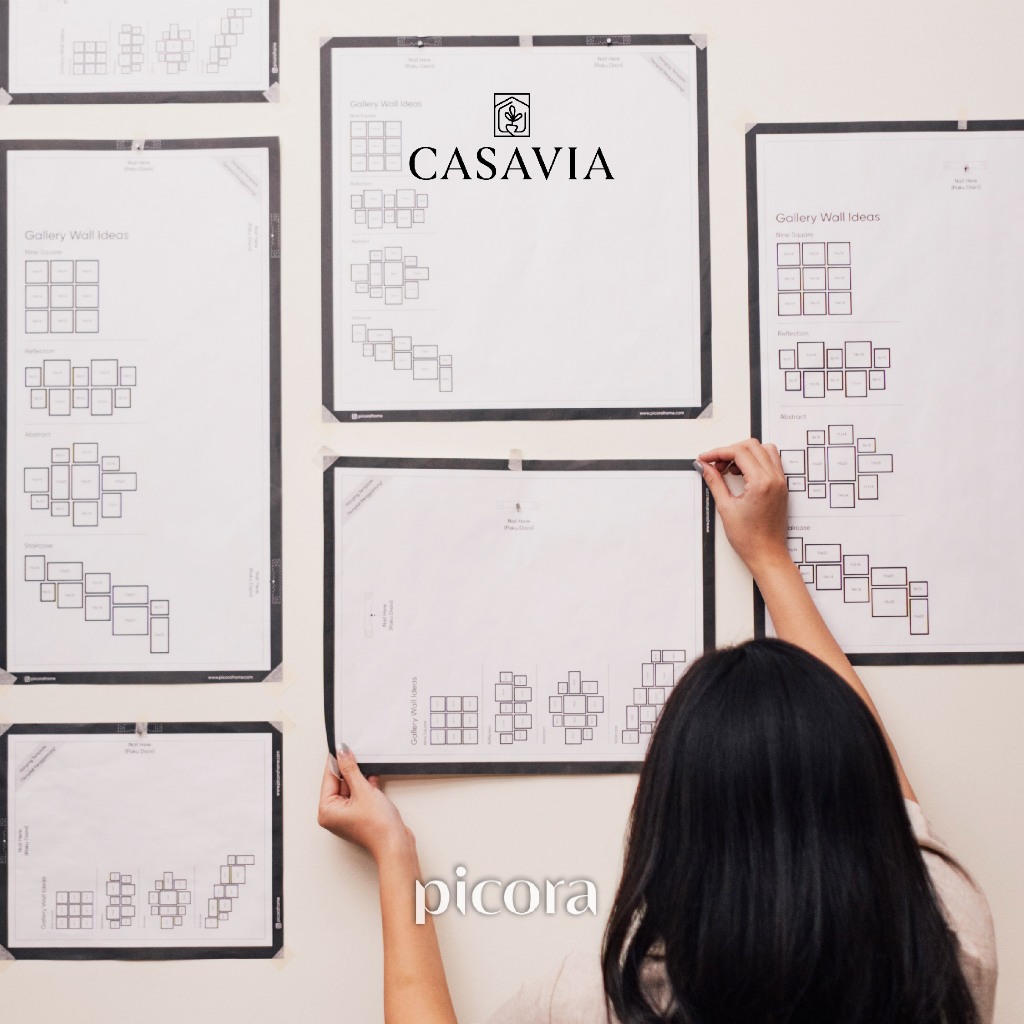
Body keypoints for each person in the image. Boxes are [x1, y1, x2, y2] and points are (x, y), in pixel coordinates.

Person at [317, 439, 997, 1024]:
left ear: (668, 820)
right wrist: (768, 557)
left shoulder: (607, 998)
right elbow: (878, 783)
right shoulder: (947, 951)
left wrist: (394, 854)